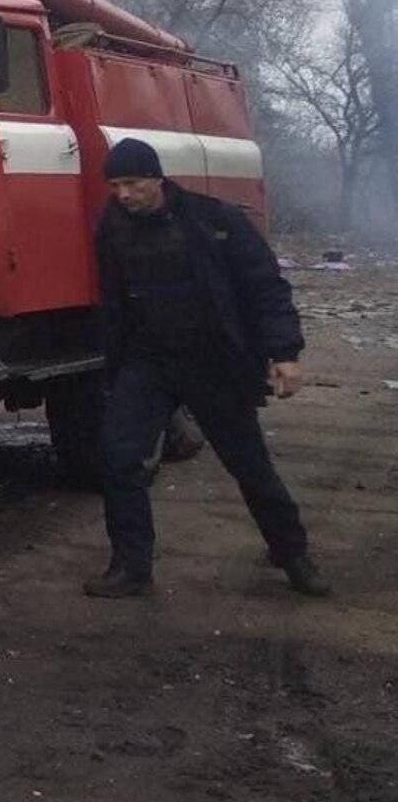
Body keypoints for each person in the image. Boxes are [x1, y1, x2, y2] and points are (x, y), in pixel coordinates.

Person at [85, 137, 329, 600]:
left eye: (133, 184)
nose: (124, 195)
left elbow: (265, 288)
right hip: (148, 363)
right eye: (115, 185)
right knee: (119, 460)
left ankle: (294, 554)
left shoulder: (213, 221)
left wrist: (284, 353)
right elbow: (114, 303)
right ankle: (130, 567)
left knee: (249, 465)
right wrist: (114, 367)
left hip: (212, 362)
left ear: (157, 179)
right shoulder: (112, 228)